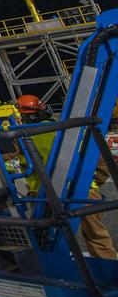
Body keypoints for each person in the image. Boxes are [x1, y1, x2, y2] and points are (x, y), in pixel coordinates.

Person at [17, 94, 115, 260]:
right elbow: (102, 162)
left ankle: (52, 270)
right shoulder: (72, 129)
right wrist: (93, 184)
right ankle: (108, 270)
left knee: (46, 239)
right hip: (83, 190)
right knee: (97, 236)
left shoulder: (23, 136)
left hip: (45, 196)